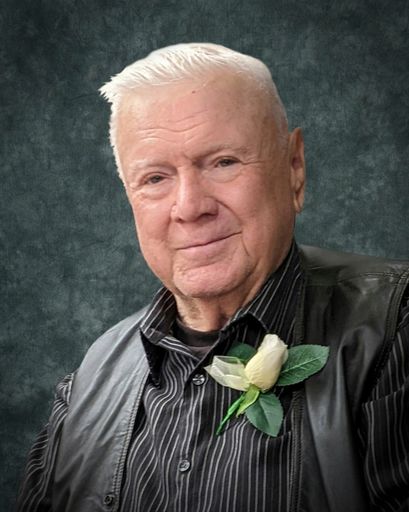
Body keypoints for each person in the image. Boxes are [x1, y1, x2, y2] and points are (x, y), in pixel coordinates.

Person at [17, 43, 409, 512]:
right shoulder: (88, 382)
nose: (189, 207)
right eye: (155, 178)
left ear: (294, 168)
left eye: (223, 162)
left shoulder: (394, 327)